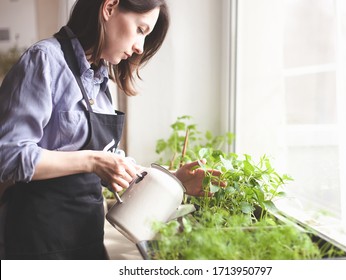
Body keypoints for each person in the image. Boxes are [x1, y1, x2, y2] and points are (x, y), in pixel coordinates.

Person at [0, 0, 222, 260]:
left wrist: (173, 181)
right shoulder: (44, 60)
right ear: (109, 7)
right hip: (38, 243)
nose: (140, 47)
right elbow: (8, 155)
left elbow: (111, 162)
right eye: (140, 29)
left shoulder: (100, 79)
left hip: (85, 239)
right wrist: (93, 160)